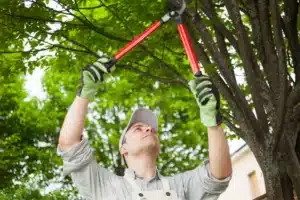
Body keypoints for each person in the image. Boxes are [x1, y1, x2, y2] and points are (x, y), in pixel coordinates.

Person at [57, 53, 232, 200]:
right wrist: (84, 94)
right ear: (123, 148)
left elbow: (219, 175)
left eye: (151, 129)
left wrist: (213, 121)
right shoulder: (104, 186)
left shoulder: (181, 186)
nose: (149, 129)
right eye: (138, 128)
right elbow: (69, 144)